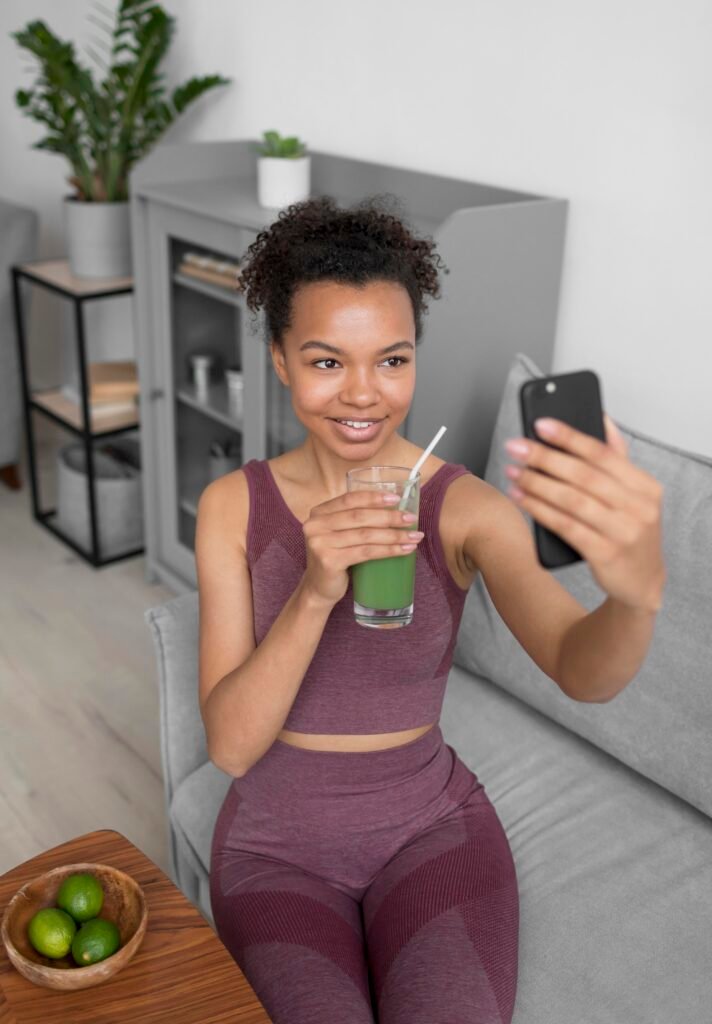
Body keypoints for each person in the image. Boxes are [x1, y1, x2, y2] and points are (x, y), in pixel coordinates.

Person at [196, 194, 665, 1024]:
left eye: (393, 359)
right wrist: (314, 590)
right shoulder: (233, 506)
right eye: (326, 361)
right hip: (275, 848)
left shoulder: (468, 509)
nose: (365, 395)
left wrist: (636, 597)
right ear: (278, 360)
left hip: (430, 832)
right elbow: (232, 745)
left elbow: (578, 667)